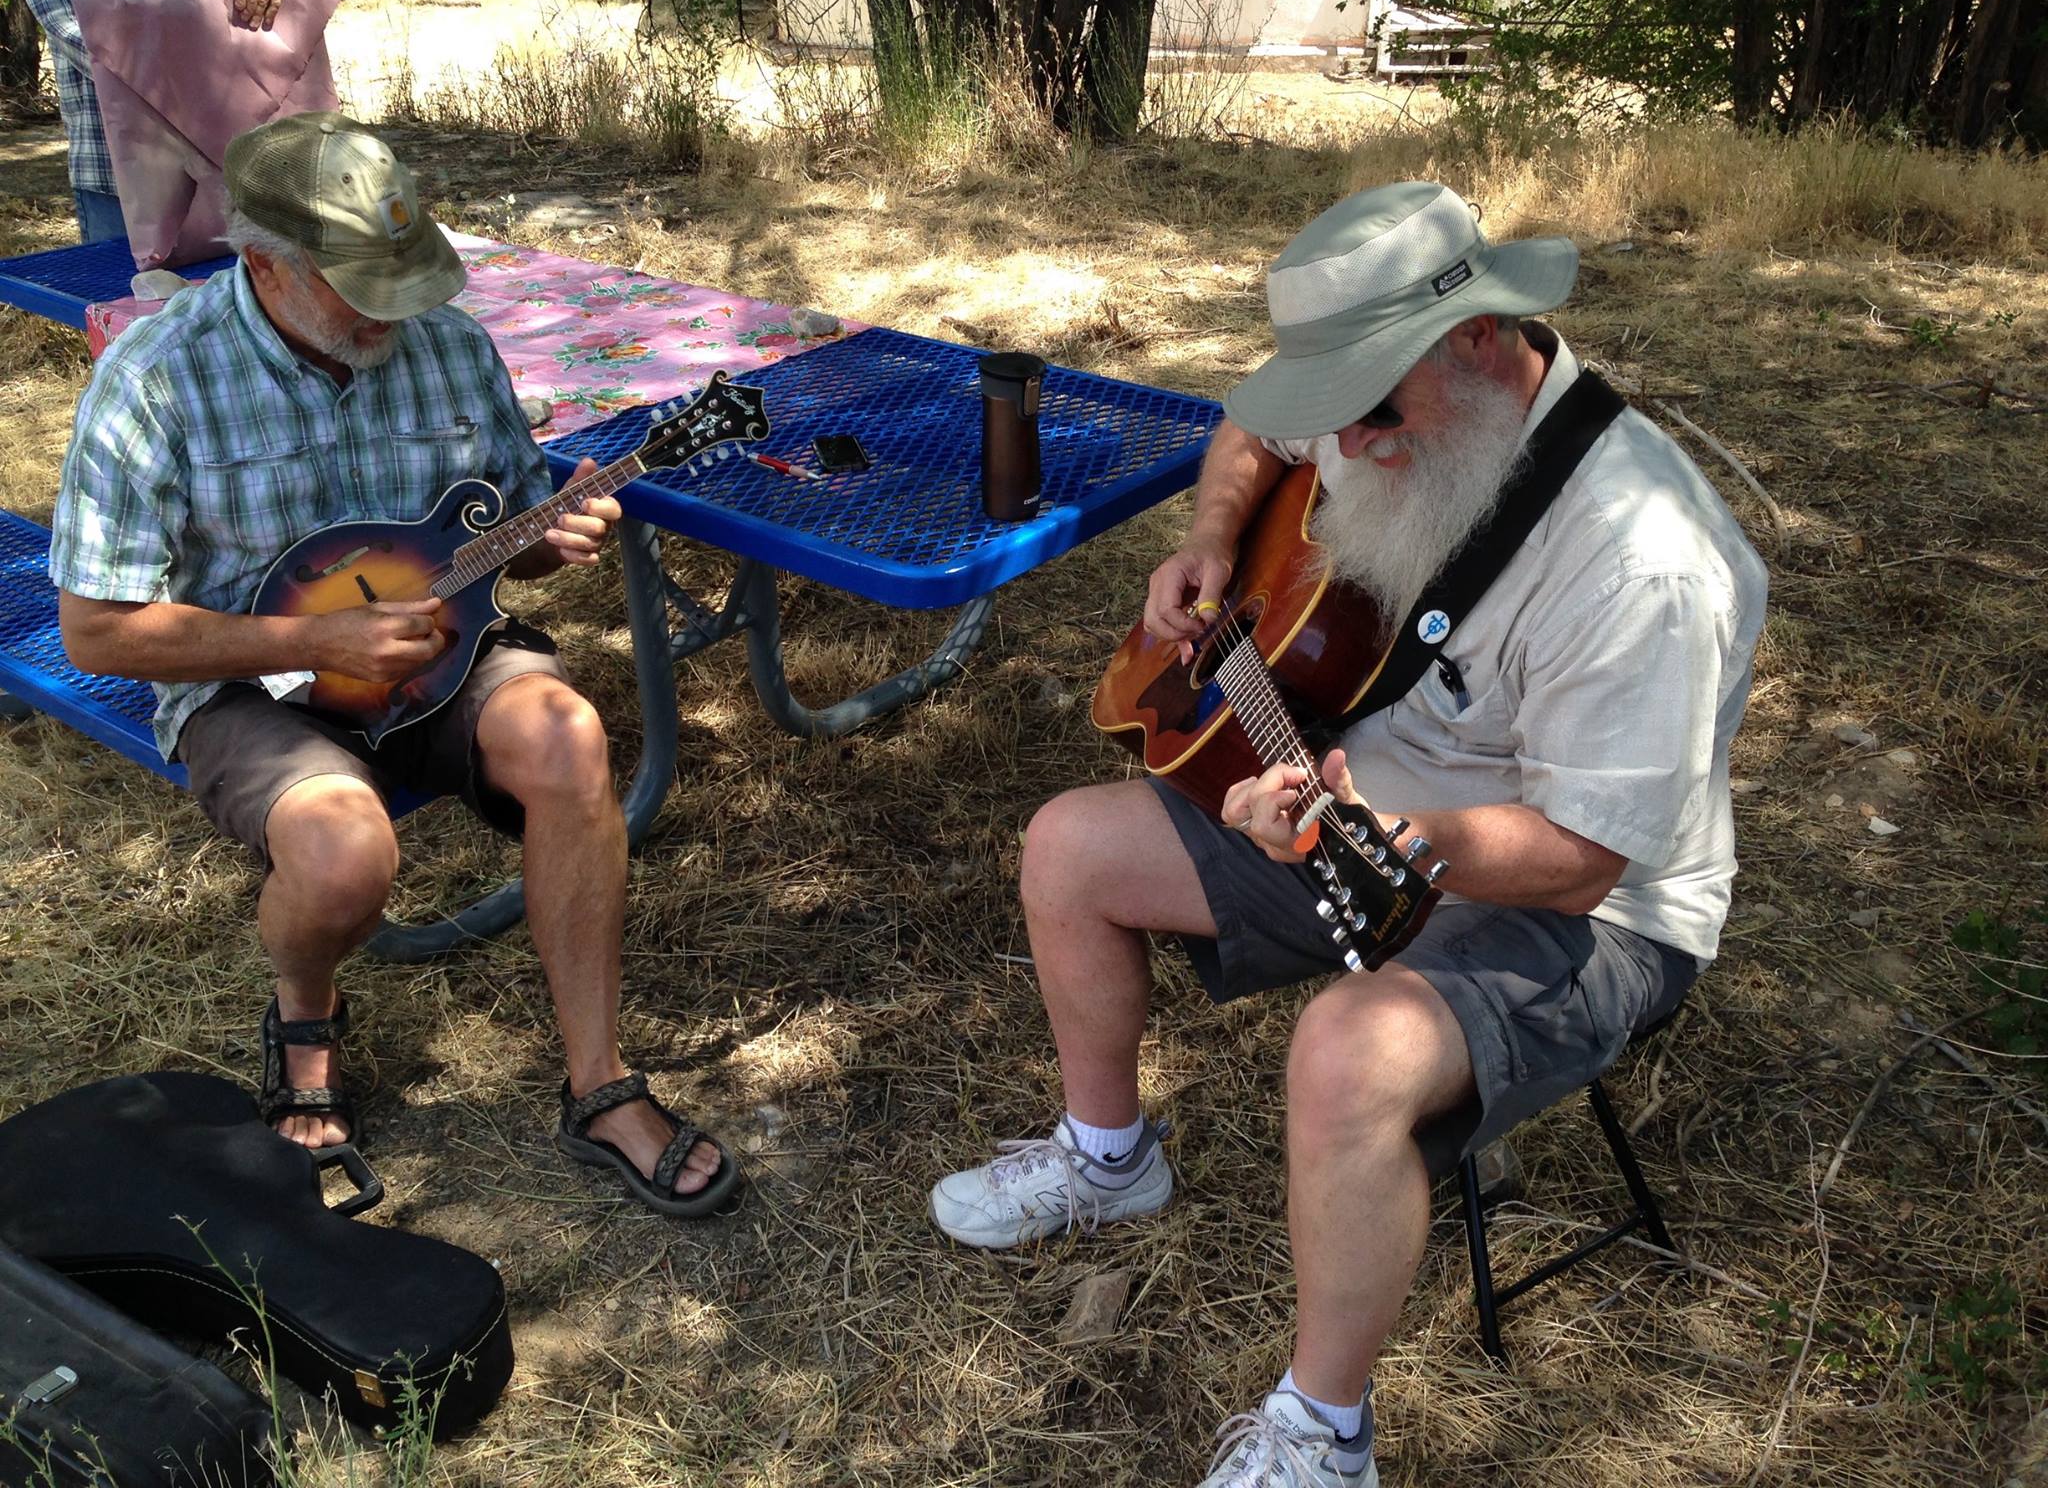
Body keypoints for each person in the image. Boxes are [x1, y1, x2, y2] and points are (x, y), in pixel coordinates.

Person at [927, 181, 1768, 1486]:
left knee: (1346, 1056)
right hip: (1352, 793)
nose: (1347, 448)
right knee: (1067, 849)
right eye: (1337, 412)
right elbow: (1256, 434)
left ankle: (1324, 1432)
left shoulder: (1639, 558)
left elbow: (1586, 856)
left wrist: (1378, 825)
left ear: (1483, 342)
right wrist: (1212, 543)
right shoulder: (1401, 414)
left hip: (1590, 903)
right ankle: (1108, 1158)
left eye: (1369, 411)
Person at [50, 112, 740, 1220]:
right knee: (342, 860)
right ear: (263, 265)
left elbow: (497, 524)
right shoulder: (155, 380)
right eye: (363, 283)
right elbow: (98, 631)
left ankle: (601, 1083)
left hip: (437, 649)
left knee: (568, 742)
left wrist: (549, 536)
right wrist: (311, 641)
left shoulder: (449, 346)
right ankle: (305, 1014)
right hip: (248, 675)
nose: (401, 310)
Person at [3, 0, 306, 240]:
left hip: (242, 162)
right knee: (133, 293)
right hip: (120, 173)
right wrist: (212, 64)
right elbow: (81, 36)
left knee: (262, 288)